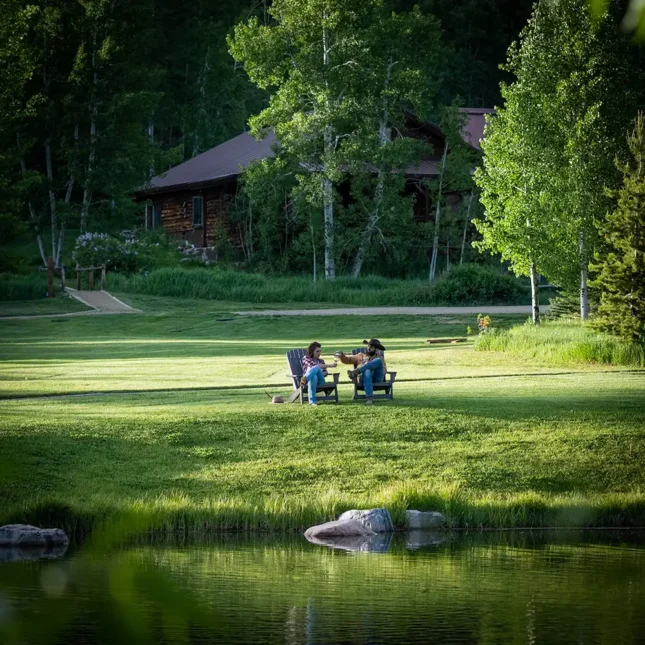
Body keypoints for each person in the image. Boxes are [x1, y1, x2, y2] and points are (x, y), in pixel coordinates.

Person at [337, 338, 387, 405]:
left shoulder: (380, 358)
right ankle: (369, 398)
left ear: (376, 349)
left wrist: (372, 367)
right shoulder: (360, 356)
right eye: (368, 346)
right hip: (363, 378)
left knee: (377, 361)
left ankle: (357, 371)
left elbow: (384, 370)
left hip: (376, 378)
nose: (368, 348)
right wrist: (341, 356)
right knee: (367, 371)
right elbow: (347, 360)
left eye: (371, 347)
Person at [301, 342, 337, 406]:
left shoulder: (321, 361)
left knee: (316, 369)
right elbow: (316, 366)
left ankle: (305, 379)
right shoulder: (306, 358)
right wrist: (330, 365)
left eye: (320, 351)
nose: (319, 353)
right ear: (312, 351)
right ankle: (312, 402)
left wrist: (319, 372)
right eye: (317, 351)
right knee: (314, 376)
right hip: (311, 381)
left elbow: (325, 373)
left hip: (321, 381)